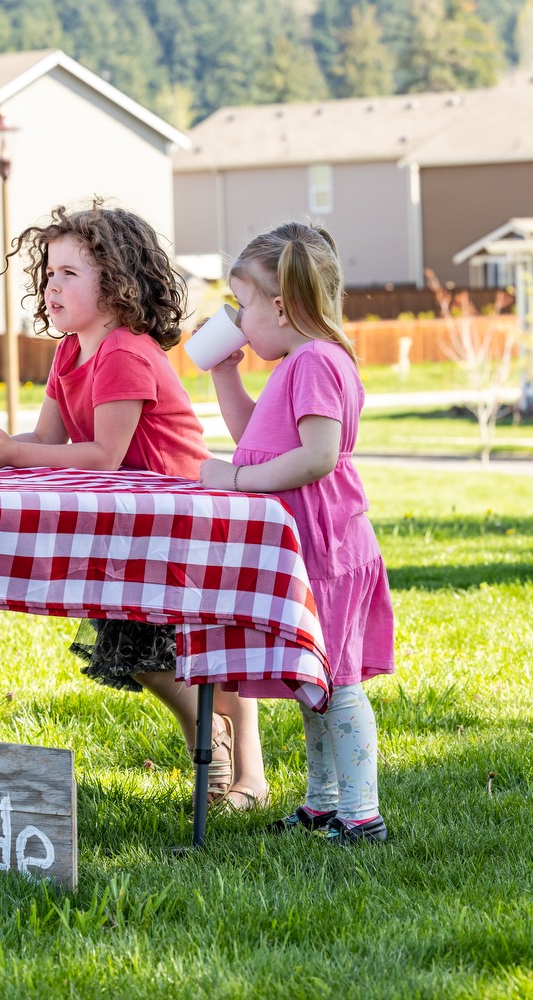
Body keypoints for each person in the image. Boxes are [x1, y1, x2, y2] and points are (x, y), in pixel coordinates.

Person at [0, 200, 264, 807]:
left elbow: (101, 455)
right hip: (128, 522)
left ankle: (246, 770)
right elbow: (47, 442)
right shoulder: (71, 352)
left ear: (117, 284)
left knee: (201, 649)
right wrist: (2, 447)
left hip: (178, 519)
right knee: (135, 650)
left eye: (70, 272)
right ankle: (212, 741)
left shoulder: (123, 351)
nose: (51, 284)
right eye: (48, 272)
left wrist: (14, 457)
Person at [199, 221, 395, 844]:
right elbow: (258, 437)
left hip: (327, 550)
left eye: (244, 303)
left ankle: (361, 814)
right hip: (312, 549)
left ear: (281, 306)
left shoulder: (312, 361)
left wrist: (234, 483)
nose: (237, 317)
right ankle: (323, 802)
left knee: (335, 684)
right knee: (315, 683)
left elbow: (317, 456)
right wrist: (225, 375)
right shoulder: (298, 361)